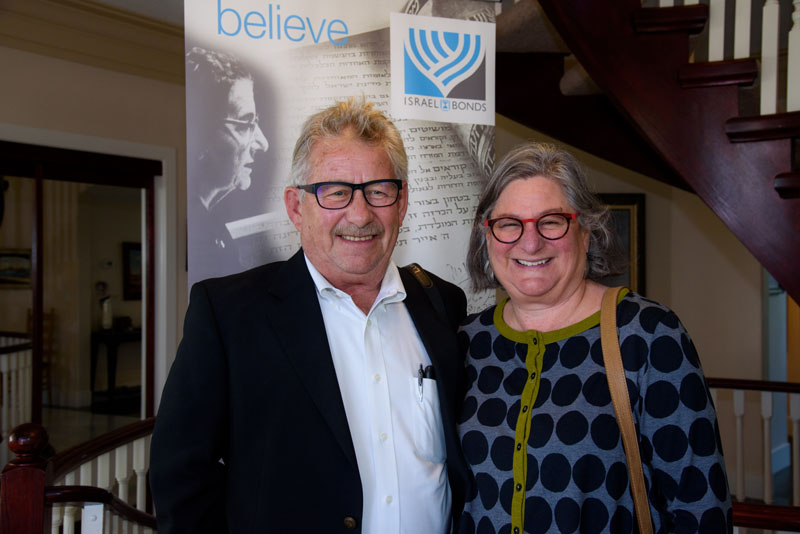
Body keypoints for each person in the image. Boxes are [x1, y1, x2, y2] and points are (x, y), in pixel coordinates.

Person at [150, 98, 469, 534]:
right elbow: (180, 477)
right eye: (335, 192)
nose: (360, 215)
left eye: (378, 190)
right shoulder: (229, 315)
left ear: (402, 202)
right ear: (297, 207)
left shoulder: (442, 305)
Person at [457, 143, 731, 534]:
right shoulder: (467, 342)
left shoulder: (648, 337)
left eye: (551, 221)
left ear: (586, 232)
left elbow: (701, 512)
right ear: (487, 238)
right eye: (509, 223)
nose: (529, 242)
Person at [185, 46, 269, 283]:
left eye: (256, 122)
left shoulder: (212, 227)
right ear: (202, 136)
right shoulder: (194, 240)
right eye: (244, 124)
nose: (263, 143)